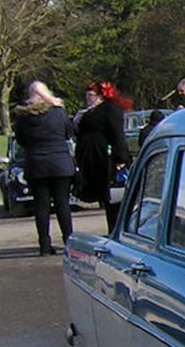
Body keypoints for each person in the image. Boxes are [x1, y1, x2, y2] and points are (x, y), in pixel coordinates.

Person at [13, 81, 75, 255]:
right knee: (63, 204)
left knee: (42, 206)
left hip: (36, 164)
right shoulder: (58, 112)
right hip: (59, 162)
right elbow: (68, 133)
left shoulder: (23, 117)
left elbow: (20, 141)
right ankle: (68, 240)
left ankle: (44, 245)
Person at [74, 82, 132, 234]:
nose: (88, 98)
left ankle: (116, 230)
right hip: (92, 159)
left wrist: (120, 158)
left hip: (106, 158)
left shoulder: (110, 110)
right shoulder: (88, 111)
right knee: (106, 198)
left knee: (113, 197)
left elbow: (117, 135)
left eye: (91, 95)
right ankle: (112, 229)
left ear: (101, 95)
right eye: (86, 95)